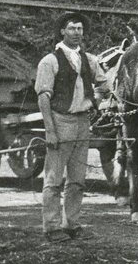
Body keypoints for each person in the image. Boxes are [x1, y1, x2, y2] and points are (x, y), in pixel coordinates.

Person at [35, 12, 110, 242]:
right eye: (72, 28)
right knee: (54, 179)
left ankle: (72, 224)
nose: (77, 33)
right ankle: (51, 227)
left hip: (82, 123)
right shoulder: (50, 61)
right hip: (61, 121)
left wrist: (96, 100)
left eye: (80, 29)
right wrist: (50, 130)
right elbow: (43, 97)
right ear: (62, 32)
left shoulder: (89, 60)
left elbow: (104, 85)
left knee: (77, 180)